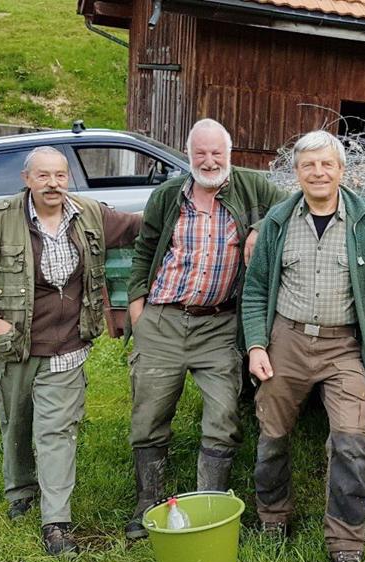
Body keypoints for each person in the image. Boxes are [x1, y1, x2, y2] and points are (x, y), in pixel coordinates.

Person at [0, 146, 141, 555]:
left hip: (68, 347)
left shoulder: (89, 214)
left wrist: (187, 205)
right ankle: (20, 489)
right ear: (27, 180)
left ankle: (56, 523)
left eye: (60, 175)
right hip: (15, 348)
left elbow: (137, 227)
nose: (53, 183)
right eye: (43, 176)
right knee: (16, 424)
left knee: (57, 433)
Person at [242, 130, 365, 562]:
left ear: (341, 170)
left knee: (351, 444)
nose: (318, 173)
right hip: (287, 340)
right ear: (296, 172)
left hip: (345, 346)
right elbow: (255, 290)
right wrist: (257, 344)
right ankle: (273, 517)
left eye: (326, 164)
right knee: (272, 433)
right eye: (309, 165)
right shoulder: (278, 220)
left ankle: (347, 542)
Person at [125, 118, 287, 539]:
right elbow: (145, 248)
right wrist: (138, 304)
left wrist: (258, 228)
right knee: (149, 413)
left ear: (229, 155)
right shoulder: (168, 196)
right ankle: (149, 504)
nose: (210, 161)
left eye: (218, 153)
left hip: (218, 324)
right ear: (189, 155)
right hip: (162, 318)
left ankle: (207, 504)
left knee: (224, 414)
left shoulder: (255, 188)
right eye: (201, 154)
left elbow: (290, 208)